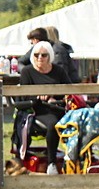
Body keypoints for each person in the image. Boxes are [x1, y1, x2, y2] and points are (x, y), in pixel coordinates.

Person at [18, 41, 72, 172]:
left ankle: (75, 160)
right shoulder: (27, 71)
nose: (39, 58)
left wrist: (54, 96)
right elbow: (23, 96)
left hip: (58, 107)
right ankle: (51, 163)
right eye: (36, 55)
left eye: (44, 55)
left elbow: (69, 90)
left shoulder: (59, 71)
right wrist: (38, 96)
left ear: (50, 56)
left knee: (76, 120)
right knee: (53, 123)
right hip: (37, 110)